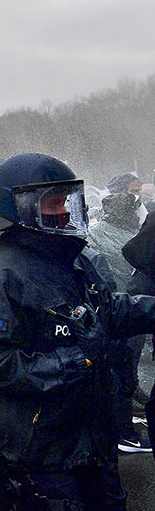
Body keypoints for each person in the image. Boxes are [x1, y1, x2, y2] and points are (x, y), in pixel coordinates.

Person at [0, 152, 155, 511]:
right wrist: (78, 359)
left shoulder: (71, 258)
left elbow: (108, 309)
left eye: (65, 201)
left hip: (93, 441)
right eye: (53, 203)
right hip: (43, 453)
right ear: (20, 208)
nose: (65, 211)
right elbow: (1, 365)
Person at [88, 190, 152, 453]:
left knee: (118, 372)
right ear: (126, 212)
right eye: (135, 207)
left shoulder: (95, 232)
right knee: (122, 374)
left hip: (111, 311)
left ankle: (122, 425)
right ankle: (124, 433)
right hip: (127, 311)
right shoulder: (129, 240)